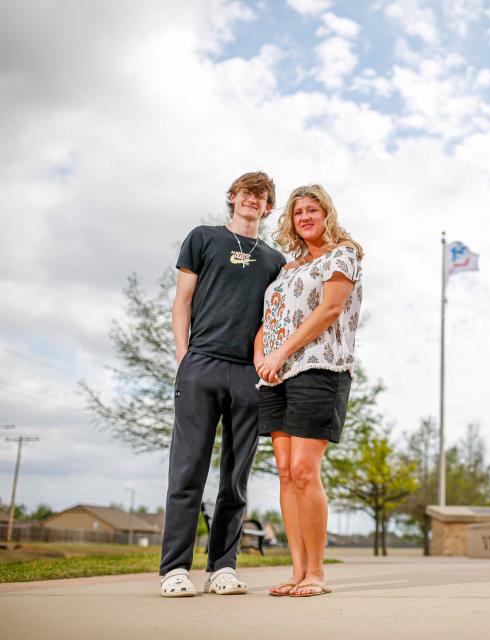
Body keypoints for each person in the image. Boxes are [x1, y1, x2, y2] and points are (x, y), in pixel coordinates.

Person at [159, 172, 286, 597]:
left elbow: (274, 322)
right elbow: (183, 301)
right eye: (246, 192)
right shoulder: (203, 238)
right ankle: (175, 568)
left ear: (268, 207)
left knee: (235, 476)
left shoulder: (274, 260)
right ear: (233, 198)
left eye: (261, 195)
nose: (252, 199)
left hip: (248, 374)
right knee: (187, 469)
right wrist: (184, 358)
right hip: (201, 365)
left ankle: (222, 568)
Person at [254, 184, 363, 597]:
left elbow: (330, 309)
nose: (304, 217)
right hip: (275, 374)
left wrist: (280, 353)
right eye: (298, 211)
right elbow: (269, 320)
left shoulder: (344, 253)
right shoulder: (286, 270)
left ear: (326, 214)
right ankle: (297, 571)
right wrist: (262, 357)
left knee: (303, 470)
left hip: (319, 368)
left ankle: (317, 573)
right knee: (284, 473)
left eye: (312, 209)